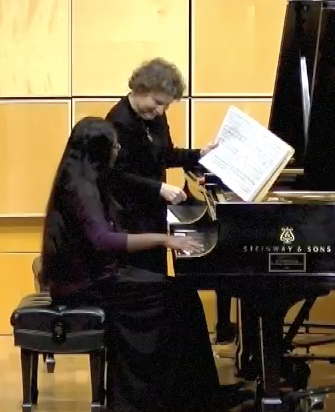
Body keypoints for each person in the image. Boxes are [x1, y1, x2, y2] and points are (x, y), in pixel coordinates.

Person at [39, 116, 221, 412]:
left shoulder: (82, 177)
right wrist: (163, 240)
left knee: (181, 296)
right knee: (181, 299)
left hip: (94, 276)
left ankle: (194, 397)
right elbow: (103, 240)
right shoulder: (81, 188)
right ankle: (181, 400)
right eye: (114, 146)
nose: (118, 150)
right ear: (99, 150)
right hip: (87, 287)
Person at [106, 57, 236, 342]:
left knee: (157, 285)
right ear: (140, 88)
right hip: (127, 218)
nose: (161, 110)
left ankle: (157, 349)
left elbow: (164, 154)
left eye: (166, 105)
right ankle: (141, 348)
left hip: (151, 213)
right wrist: (159, 188)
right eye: (157, 102)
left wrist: (198, 154)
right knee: (146, 292)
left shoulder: (154, 118)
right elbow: (116, 175)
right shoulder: (118, 121)